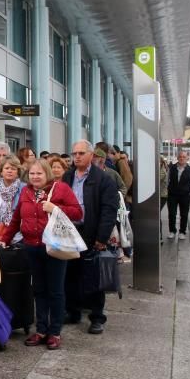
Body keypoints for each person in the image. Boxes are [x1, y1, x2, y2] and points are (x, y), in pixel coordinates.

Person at [0, 159, 82, 349]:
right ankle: (41, 330)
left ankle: (55, 332)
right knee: (38, 290)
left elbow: (78, 212)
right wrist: (6, 237)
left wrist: (56, 209)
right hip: (31, 247)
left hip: (54, 246)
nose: (35, 177)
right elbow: (16, 218)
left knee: (55, 290)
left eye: (39, 173)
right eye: (32, 174)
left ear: (47, 174)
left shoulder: (60, 189)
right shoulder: (26, 191)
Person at [62, 140, 119, 335]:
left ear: (91, 155)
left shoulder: (103, 180)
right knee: (70, 275)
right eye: (74, 153)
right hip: (70, 232)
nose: (76, 156)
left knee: (94, 277)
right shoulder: (67, 177)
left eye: (81, 153)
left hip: (91, 232)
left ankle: (97, 317)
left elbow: (109, 211)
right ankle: (73, 311)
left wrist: (101, 238)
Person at [0, 155, 24, 243]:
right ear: (1, 171)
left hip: (19, 237)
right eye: (7, 168)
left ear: (18, 172)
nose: (9, 171)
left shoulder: (24, 189)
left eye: (13, 169)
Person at [167, 151, 190, 240]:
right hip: (172, 195)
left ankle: (182, 232)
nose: (182, 158)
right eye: (180, 157)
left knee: (184, 214)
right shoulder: (172, 168)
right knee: (171, 214)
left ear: (186, 159)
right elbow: (167, 180)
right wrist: (169, 190)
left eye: (184, 157)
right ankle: (172, 231)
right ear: (178, 158)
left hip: (185, 196)